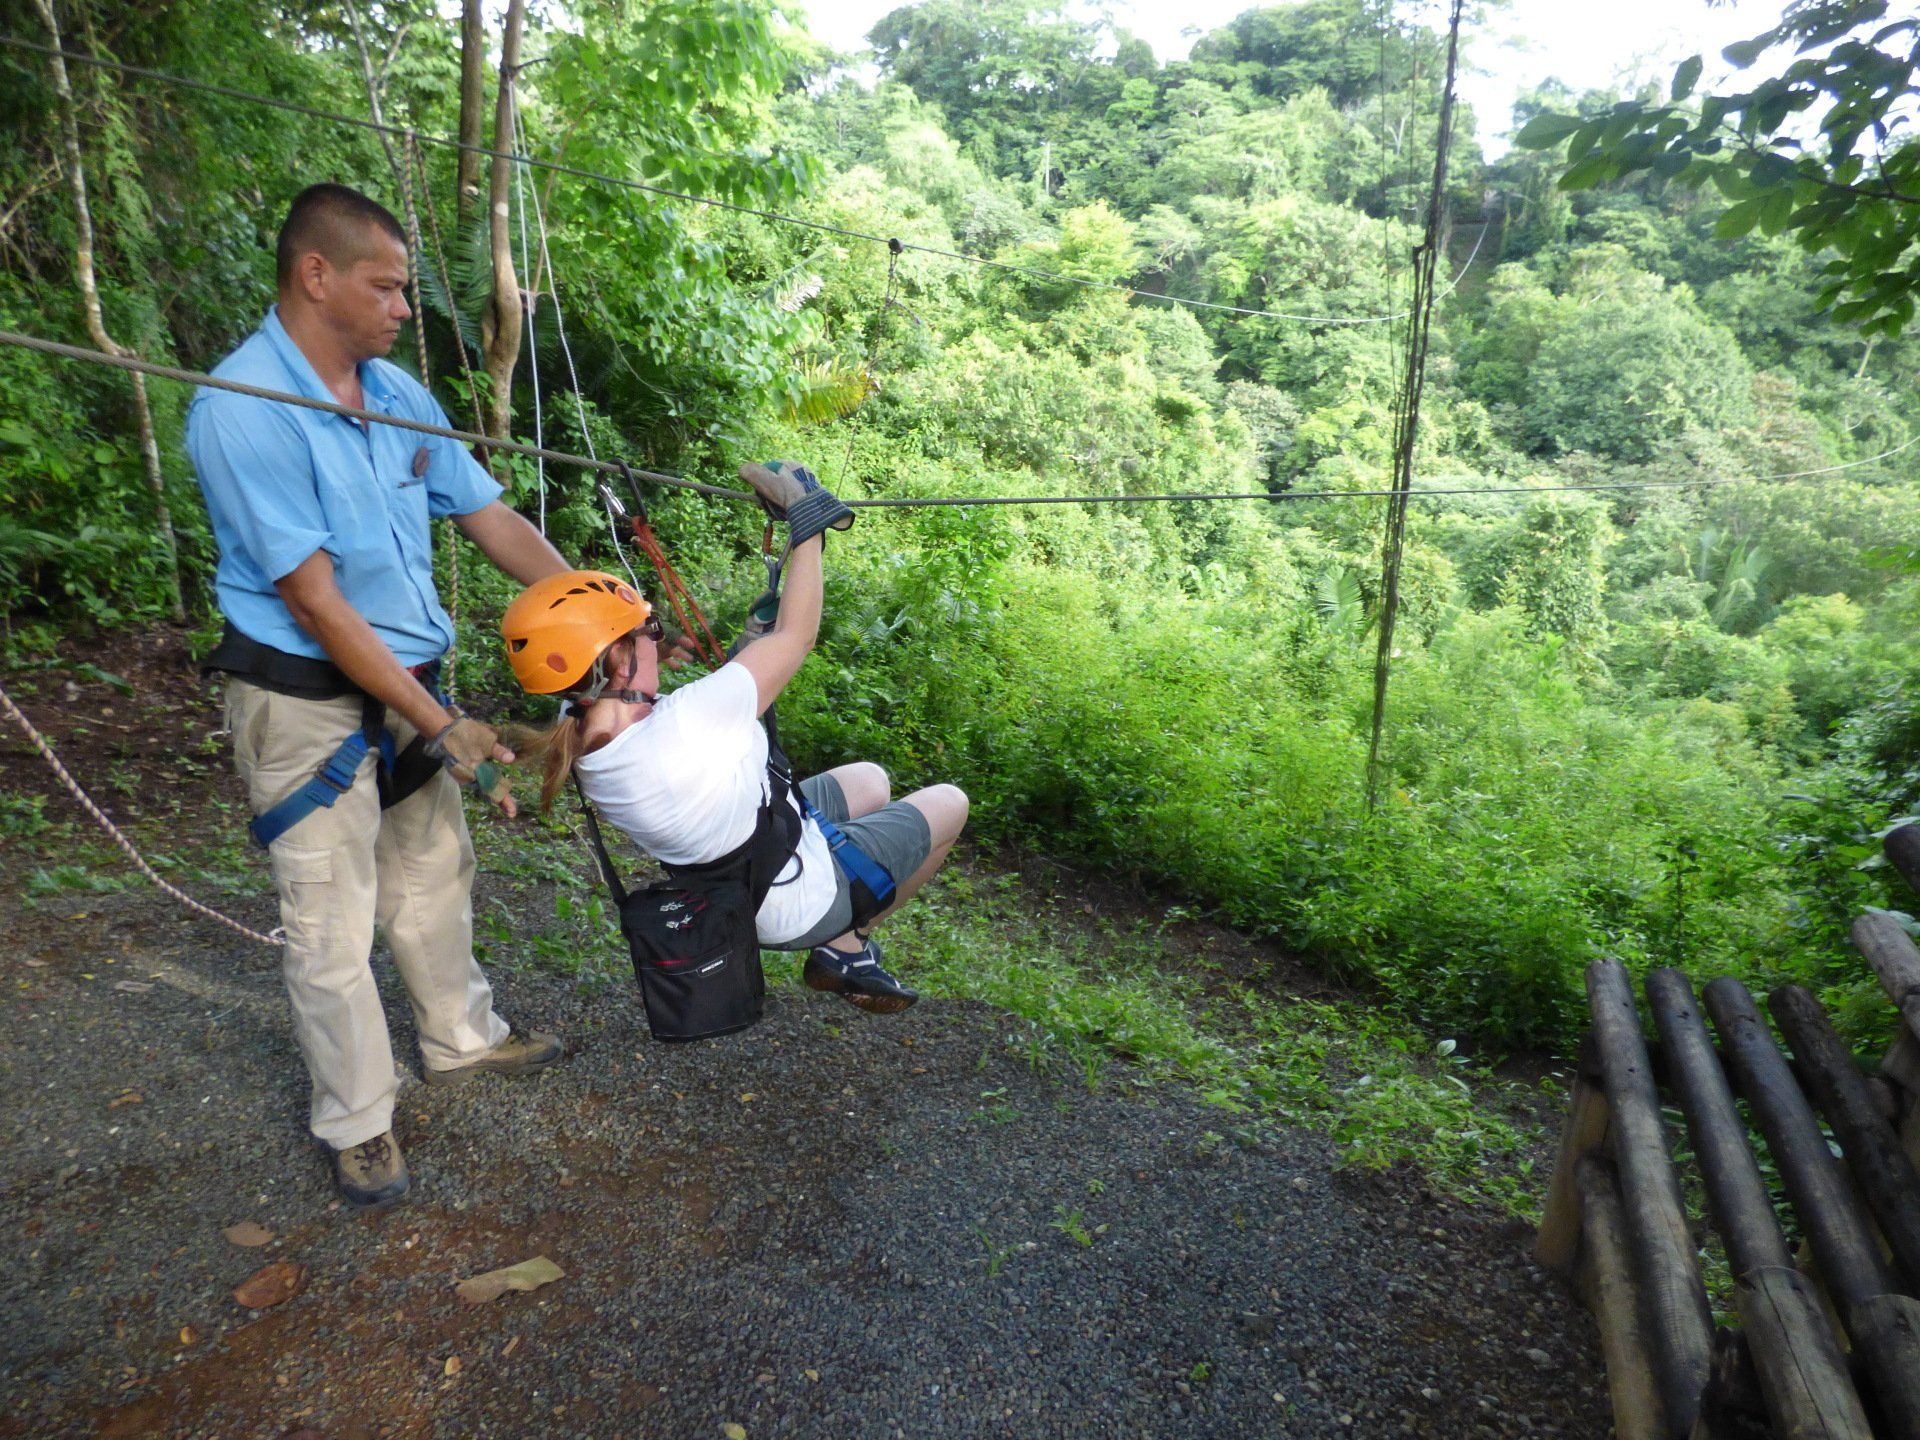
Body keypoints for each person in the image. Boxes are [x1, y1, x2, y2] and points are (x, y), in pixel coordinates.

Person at [187, 183, 571, 1209]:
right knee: (329, 915)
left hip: (410, 690)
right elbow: (313, 602)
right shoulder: (242, 408)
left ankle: (461, 1038)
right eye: (387, 286)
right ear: (318, 276)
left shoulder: (399, 395)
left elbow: (488, 517)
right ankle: (357, 1120)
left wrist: (594, 610)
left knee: (433, 872)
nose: (405, 308)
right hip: (305, 700)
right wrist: (441, 721)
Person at [503, 462, 969, 1012]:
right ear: (618, 660)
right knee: (951, 804)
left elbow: (714, 710)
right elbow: (799, 635)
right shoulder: (692, 722)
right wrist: (808, 526)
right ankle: (847, 945)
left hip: (736, 883)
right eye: (649, 631)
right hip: (797, 900)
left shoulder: (580, 737)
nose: (661, 639)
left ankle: (842, 923)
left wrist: (750, 648)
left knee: (870, 780)